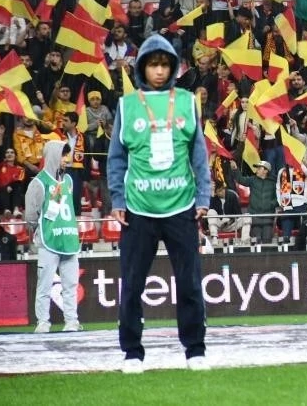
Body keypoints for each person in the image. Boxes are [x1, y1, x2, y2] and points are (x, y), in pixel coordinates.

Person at [107, 35, 212, 373]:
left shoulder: (186, 101)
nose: (159, 71)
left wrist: (203, 197)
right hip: (138, 209)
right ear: (142, 67)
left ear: (173, 68)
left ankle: (195, 349)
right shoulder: (127, 105)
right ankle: (132, 353)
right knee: (132, 285)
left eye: (165, 64)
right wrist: (117, 199)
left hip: (181, 205)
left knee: (189, 283)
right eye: (153, 64)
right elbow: (116, 158)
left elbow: (199, 155)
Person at [25, 140, 81, 334]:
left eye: (67, 155)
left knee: (71, 285)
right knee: (45, 285)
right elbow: (30, 216)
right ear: (53, 156)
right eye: (63, 155)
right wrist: (41, 230)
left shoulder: (69, 181)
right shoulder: (39, 182)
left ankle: (72, 321)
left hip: (69, 239)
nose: (66, 159)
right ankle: (43, 322)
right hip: (49, 241)